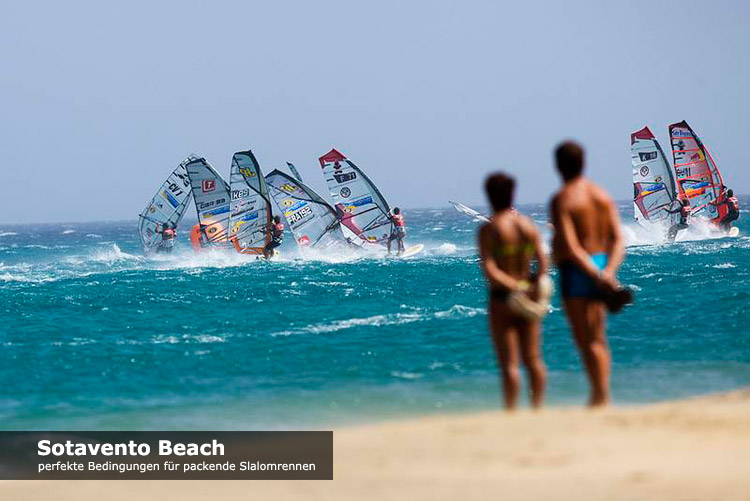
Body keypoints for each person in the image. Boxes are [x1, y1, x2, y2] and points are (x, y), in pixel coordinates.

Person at [550, 141, 625, 407]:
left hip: (579, 270)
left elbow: (570, 246)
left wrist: (594, 274)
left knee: (585, 339)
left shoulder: (563, 199)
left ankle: (599, 395)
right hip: (602, 263)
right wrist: (608, 272)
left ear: (558, 166)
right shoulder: (601, 195)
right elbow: (618, 238)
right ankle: (602, 393)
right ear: (584, 163)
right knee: (598, 337)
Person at [479, 173, 549, 410]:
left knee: (509, 364)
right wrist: (530, 286)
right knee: (534, 359)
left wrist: (511, 286)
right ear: (512, 194)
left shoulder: (489, 229)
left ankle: (511, 413)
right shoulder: (527, 226)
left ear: (489, 196)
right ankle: (537, 409)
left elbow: (490, 269)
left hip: (502, 299)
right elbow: (542, 263)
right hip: (528, 295)